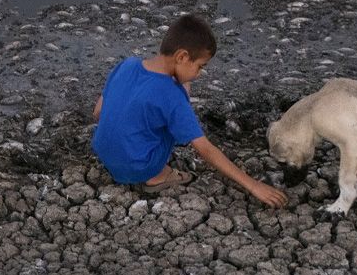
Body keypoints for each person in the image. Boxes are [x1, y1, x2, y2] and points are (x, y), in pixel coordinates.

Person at [91, 14, 288, 208]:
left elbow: (98, 113)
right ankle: (158, 177)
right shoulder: (172, 95)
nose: (199, 74)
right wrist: (253, 185)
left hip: (104, 155)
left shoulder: (127, 65)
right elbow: (205, 149)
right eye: (200, 66)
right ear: (182, 56)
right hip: (139, 169)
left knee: (150, 104)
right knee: (178, 102)